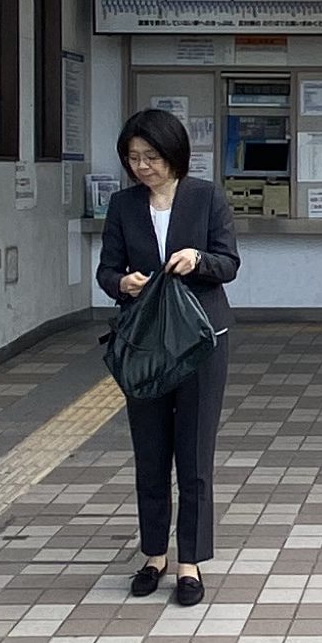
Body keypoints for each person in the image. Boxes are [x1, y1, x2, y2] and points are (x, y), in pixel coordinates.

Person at [95, 104, 237, 606]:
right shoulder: (123, 206)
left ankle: (189, 561)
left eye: (150, 156)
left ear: (173, 153)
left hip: (200, 341)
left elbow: (229, 263)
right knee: (150, 455)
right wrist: (122, 282)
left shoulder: (206, 198)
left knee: (194, 457)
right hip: (147, 345)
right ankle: (153, 555)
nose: (141, 167)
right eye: (132, 158)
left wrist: (199, 260)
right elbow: (106, 271)